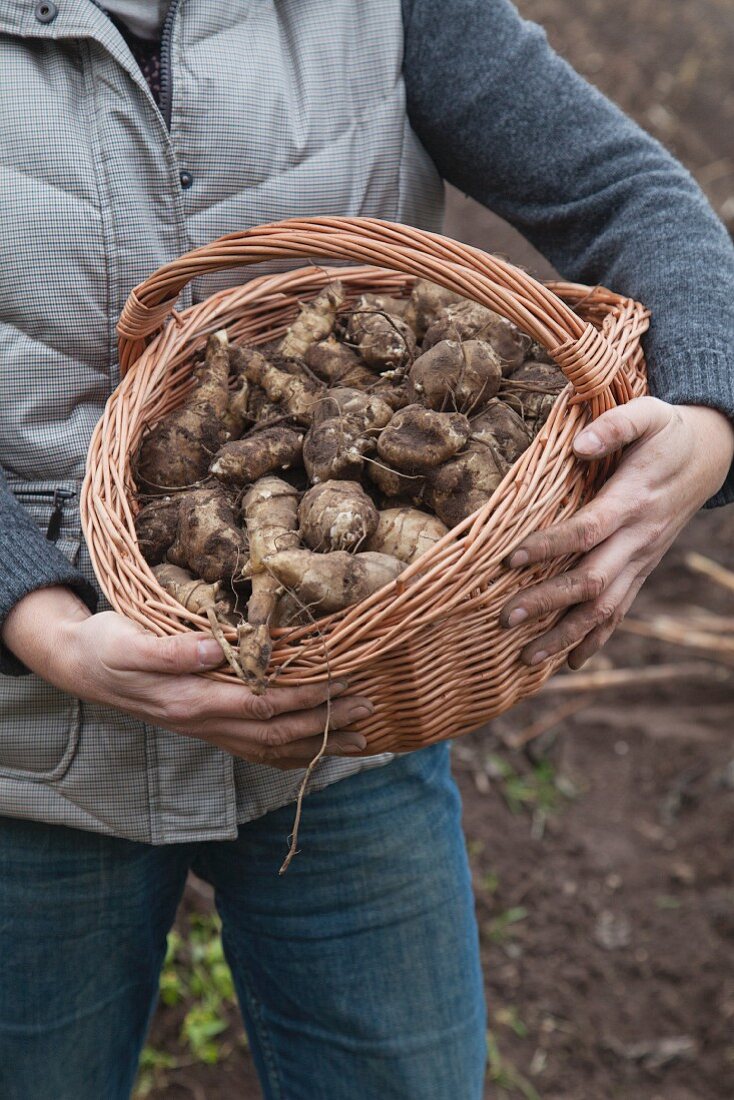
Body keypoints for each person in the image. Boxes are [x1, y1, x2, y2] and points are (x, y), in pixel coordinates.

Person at [0, 1, 732, 1097]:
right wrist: (42, 622)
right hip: (35, 760)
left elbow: (627, 197)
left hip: (348, 722)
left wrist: (707, 423)